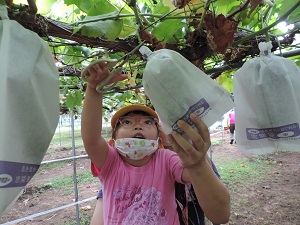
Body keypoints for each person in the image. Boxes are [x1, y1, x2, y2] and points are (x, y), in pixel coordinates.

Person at [81, 61, 230, 224]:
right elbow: (91, 139)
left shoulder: (166, 159)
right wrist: (94, 90)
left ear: (159, 138)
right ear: (113, 141)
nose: (138, 125)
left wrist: (197, 163)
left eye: (147, 122)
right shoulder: (111, 162)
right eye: (127, 122)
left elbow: (194, 174)